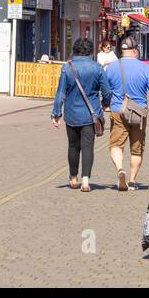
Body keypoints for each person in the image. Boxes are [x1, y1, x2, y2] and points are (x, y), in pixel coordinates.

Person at [102, 33, 149, 191]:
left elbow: (105, 89)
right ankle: (133, 181)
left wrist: (105, 103)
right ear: (135, 50)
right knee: (137, 148)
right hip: (138, 112)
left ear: (122, 51)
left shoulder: (112, 67)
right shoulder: (145, 68)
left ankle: (120, 170)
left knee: (116, 144)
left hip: (118, 110)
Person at [51, 37, 105, 192]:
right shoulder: (97, 68)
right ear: (91, 52)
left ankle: (73, 177)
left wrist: (56, 114)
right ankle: (86, 180)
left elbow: (60, 93)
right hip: (91, 114)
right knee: (88, 146)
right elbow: (107, 91)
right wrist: (105, 104)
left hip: (72, 114)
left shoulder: (67, 68)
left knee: (73, 146)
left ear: (74, 50)